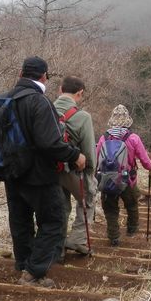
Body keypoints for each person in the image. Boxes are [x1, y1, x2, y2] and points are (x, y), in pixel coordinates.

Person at [4, 56, 85, 288]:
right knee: (54, 221)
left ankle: (24, 264)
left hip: (11, 173)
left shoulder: (6, 99)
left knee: (20, 220)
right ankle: (34, 272)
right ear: (44, 77)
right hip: (39, 174)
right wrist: (75, 156)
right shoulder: (39, 102)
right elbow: (50, 143)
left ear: (21, 74)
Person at [96, 104, 151, 246]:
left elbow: (96, 158)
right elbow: (145, 160)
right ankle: (132, 229)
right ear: (127, 120)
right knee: (132, 205)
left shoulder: (104, 138)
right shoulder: (133, 138)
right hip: (128, 180)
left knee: (110, 209)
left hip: (108, 179)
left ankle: (114, 237)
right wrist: (150, 166)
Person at [53, 76, 96, 257]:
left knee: (60, 207)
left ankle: (58, 245)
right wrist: (90, 173)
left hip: (50, 170)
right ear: (80, 93)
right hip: (74, 170)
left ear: (60, 90)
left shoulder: (46, 110)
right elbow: (89, 151)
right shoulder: (83, 117)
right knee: (87, 200)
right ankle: (78, 240)